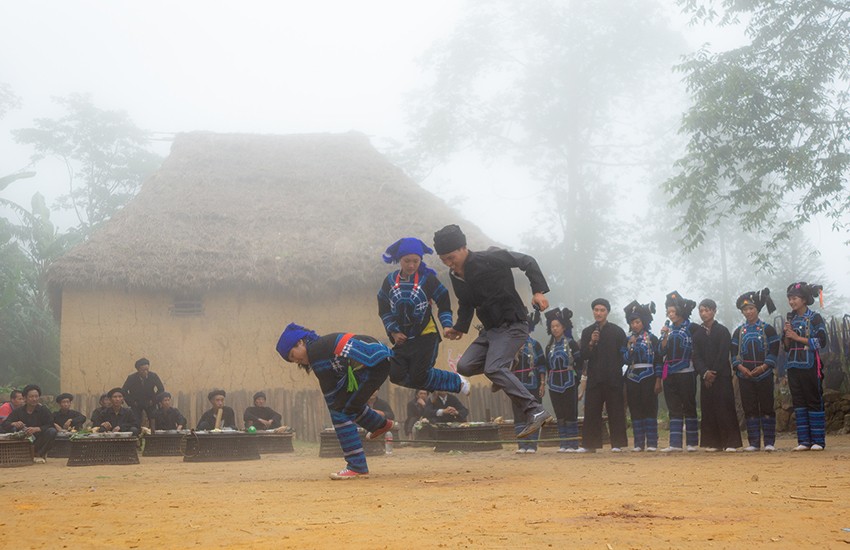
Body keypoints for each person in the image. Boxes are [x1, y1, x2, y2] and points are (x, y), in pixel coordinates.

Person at [433, 224, 552, 438]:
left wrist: (538, 292)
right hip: (490, 331)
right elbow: (466, 303)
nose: (449, 264)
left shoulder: (491, 257)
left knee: (494, 368)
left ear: (463, 248)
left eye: (451, 257)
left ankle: (536, 410)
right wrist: (459, 328)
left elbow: (527, 261)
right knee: (465, 366)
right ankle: (508, 363)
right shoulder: (455, 275)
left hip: (513, 324)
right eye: (444, 260)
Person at [277, 323, 394, 480]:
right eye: (292, 361)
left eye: (292, 355)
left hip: (372, 365)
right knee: (348, 405)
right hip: (378, 360)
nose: (296, 361)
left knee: (339, 412)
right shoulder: (320, 347)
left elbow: (330, 390)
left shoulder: (316, 352)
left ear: (300, 342)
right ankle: (380, 425)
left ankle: (356, 466)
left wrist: (336, 409)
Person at [378, 237, 470, 396]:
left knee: (419, 376)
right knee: (395, 375)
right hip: (403, 339)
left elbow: (444, 300)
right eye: (407, 261)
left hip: (426, 336)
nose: (411, 265)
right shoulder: (390, 281)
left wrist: (447, 325)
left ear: (421, 259)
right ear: (400, 259)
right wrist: (392, 331)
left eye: (416, 260)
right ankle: (441, 383)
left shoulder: (427, 280)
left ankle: (457, 381)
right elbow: (384, 308)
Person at [730, 289, 779, 452]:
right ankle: (753, 442)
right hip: (745, 376)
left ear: (757, 310)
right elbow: (733, 354)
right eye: (745, 309)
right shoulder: (739, 332)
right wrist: (742, 368)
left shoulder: (768, 329)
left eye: (751, 308)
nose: (748, 312)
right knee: (749, 408)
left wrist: (764, 367)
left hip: (764, 374)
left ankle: (770, 442)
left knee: (766, 407)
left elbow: (774, 351)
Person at [579, 298, 629, 453]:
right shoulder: (588, 332)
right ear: (593, 311)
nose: (599, 313)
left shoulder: (617, 331)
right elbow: (583, 355)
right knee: (592, 411)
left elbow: (623, 354)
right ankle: (590, 445)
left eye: (602, 310)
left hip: (613, 378)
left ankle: (617, 444)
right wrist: (591, 343)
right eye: (596, 310)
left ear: (607, 312)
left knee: (615, 411)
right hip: (594, 378)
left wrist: (615, 368)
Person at [694, 298, 743, 452]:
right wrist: (704, 373)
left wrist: (713, 372)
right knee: (709, 409)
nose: (704, 313)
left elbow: (723, 354)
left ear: (714, 311)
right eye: (701, 311)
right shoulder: (697, 334)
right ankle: (714, 442)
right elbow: (696, 356)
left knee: (725, 408)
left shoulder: (722, 331)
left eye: (707, 310)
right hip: (705, 378)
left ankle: (731, 442)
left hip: (721, 376)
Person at [783, 282, 828, 451]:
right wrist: (788, 334)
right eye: (789, 299)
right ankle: (804, 441)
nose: (791, 302)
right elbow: (786, 346)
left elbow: (821, 341)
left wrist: (797, 337)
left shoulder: (815, 318)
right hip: (793, 365)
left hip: (810, 364)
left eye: (794, 298)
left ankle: (818, 440)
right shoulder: (791, 318)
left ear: (803, 299)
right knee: (799, 402)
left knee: (813, 400)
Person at [659, 291, 699, 452]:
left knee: (689, 405)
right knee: (673, 407)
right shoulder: (667, 330)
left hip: (687, 371)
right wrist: (665, 336)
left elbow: (698, 349)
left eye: (673, 311)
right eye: (668, 312)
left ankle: (692, 442)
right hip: (669, 373)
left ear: (680, 311)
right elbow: (661, 352)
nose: (671, 315)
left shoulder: (692, 328)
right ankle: (674, 443)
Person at [621, 301, 662, 452]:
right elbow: (623, 360)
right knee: (635, 408)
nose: (635, 325)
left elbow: (658, 360)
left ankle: (652, 442)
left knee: (650, 407)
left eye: (637, 322)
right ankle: (638, 443)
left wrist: (659, 379)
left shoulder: (652, 338)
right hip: (632, 377)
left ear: (643, 322)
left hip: (649, 376)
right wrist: (630, 348)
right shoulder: (627, 340)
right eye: (632, 322)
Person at [544, 308, 582, 453]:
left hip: (569, 382)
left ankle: (572, 444)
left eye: (557, 326)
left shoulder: (571, 344)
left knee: (570, 412)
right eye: (552, 326)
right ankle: (563, 443)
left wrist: (577, 380)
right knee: (559, 414)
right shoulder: (549, 347)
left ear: (563, 327)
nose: (554, 329)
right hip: (554, 383)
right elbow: (548, 366)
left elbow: (579, 362)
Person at [510, 310, 547, 454]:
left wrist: (543, 383)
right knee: (518, 415)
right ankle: (522, 445)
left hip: (534, 384)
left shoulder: (535, 345)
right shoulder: (512, 345)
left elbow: (542, 364)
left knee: (533, 414)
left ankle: (532, 445)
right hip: (516, 384)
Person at [0, 384, 56, 463]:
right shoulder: (18, 411)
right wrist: (14, 423)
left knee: (52, 431)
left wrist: (37, 429)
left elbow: (50, 424)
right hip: (23, 441)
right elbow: (5, 424)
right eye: (31, 397)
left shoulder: (43, 410)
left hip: (39, 440)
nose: (34, 399)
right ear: (25, 398)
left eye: (36, 396)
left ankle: (38, 454)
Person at [122, 357, 165, 428]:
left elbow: (161, 389)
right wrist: (132, 402)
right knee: (135, 421)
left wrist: (154, 400)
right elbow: (124, 391)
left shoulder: (153, 376)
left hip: (150, 402)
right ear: (138, 369)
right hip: (136, 403)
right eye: (143, 370)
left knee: (154, 420)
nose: (145, 372)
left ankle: (153, 436)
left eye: (147, 370)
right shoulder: (131, 378)